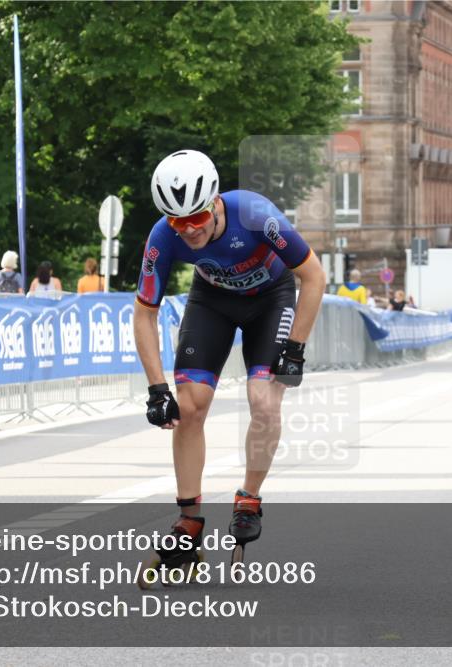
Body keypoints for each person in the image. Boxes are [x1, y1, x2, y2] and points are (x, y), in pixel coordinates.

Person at [133, 150, 325, 574]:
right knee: (189, 408)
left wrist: (295, 349)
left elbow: (313, 276)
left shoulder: (254, 213)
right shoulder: (162, 237)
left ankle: (249, 498)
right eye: (177, 222)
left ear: (215, 202)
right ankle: (188, 521)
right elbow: (144, 313)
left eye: (196, 219)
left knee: (264, 401)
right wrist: (156, 389)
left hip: (270, 300)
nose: (188, 231)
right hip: (213, 302)